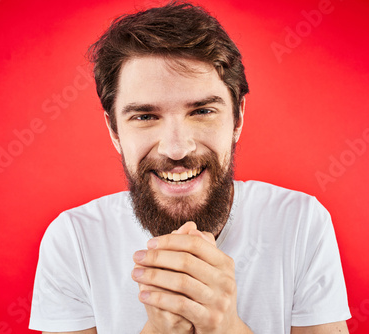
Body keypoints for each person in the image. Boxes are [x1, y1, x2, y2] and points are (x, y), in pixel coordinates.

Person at [29, 2, 351, 333]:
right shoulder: (73, 241)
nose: (177, 148)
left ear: (237, 117)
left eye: (201, 111)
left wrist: (225, 327)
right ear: (114, 131)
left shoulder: (301, 223)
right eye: (145, 117)